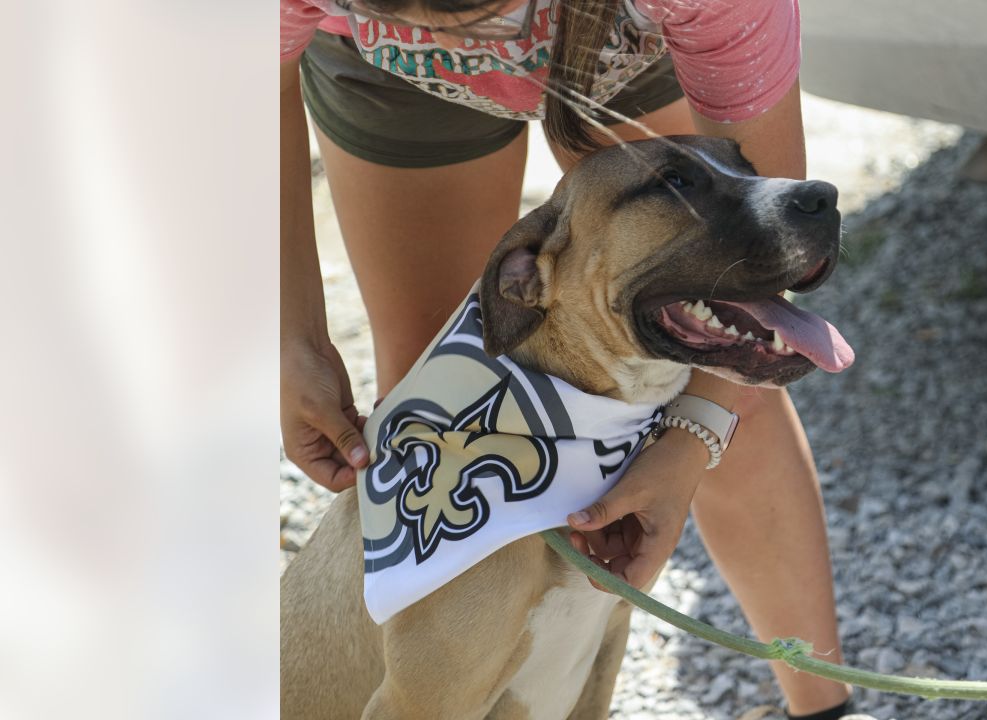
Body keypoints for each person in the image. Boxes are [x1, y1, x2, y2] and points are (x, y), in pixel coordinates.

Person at [281, 1, 851, 717]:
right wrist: (290, 336)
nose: (473, 51)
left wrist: (693, 434)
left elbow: (765, 221)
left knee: (730, 390)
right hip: (387, 77)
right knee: (433, 389)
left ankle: (827, 706)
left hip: (616, 36)